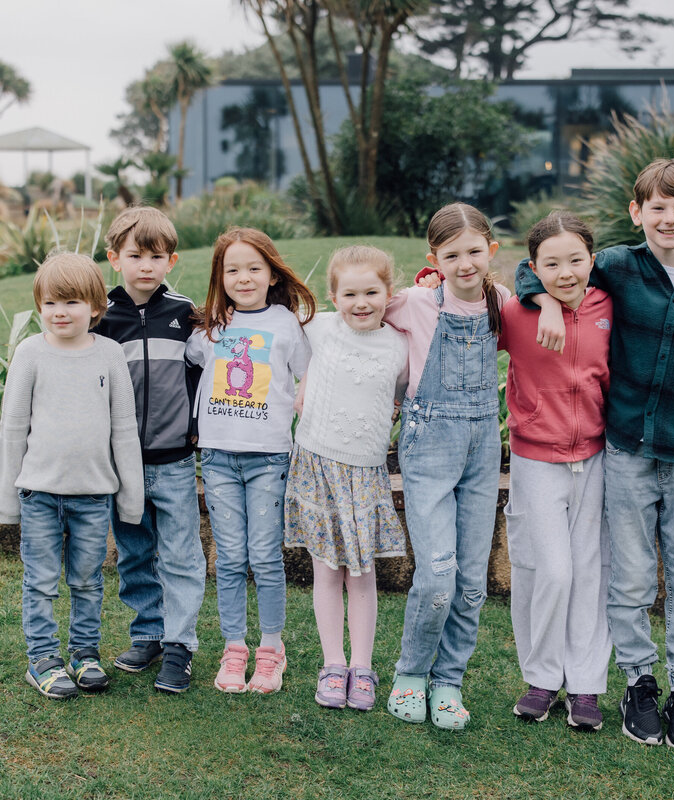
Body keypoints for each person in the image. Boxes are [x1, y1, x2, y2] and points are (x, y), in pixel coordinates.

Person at [516, 158, 674, 751]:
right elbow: (532, 265)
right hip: (625, 454)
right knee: (631, 576)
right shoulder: (617, 266)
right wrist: (541, 300)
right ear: (636, 212)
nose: (667, 219)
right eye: (656, 208)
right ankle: (639, 683)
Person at [0, 252, 144, 700]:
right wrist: (7, 499)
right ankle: (43, 659)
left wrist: (130, 497)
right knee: (40, 580)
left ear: (96, 307)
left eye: (73, 302)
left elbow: (124, 428)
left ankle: (84, 655)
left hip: (92, 497)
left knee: (86, 579)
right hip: (39, 493)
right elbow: (13, 426)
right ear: (40, 306)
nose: (61, 312)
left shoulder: (110, 354)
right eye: (51, 303)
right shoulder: (30, 353)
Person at [384, 203, 510, 730]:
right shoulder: (415, 302)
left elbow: (545, 290)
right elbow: (361, 311)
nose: (465, 264)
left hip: (483, 447)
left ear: (491, 252)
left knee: (472, 580)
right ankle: (410, 675)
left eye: (474, 252)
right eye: (451, 255)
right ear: (433, 258)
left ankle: (449, 681)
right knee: (438, 576)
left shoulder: (503, 301)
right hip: (429, 443)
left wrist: (547, 309)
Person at [186, 227, 315, 695]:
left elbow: (311, 376)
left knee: (263, 556)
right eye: (232, 269)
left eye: (254, 268)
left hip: (268, 459)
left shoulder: (286, 324)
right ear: (220, 276)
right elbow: (187, 361)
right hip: (218, 458)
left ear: (271, 272)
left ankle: (271, 650)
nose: (243, 277)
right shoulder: (210, 329)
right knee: (230, 558)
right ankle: (234, 647)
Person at [499, 212, 613, 731]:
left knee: (589, 573)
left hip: (596, 457)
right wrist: (537, 299)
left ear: (593, 259)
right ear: (533, 266)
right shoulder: (514, 313)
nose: (565, 272)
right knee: (550, 571)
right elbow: (462, 304)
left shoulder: (610, 303)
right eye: (551, 264)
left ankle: (586, 685)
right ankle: (542, 677)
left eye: (575, 260)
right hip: (534, 457)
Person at [284, 245, 409, 711]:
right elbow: (278, 324)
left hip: (365, 472)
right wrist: (302, 382)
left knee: (362, 573)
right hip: (317, 464)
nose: (361, 303)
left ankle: (363, 667)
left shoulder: (399, 347)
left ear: (388, 294)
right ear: (332, 296)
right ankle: (333, 664)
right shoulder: (318, 330)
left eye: (372, 292)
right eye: (350, 293)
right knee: (327, 571)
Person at [98, 207, 205, 694]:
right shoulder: (101, 318)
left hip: (175, 460)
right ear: (114, 258)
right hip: (122, 462)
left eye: (156, 256)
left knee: (181, 553)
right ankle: (149, 632)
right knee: (135, 551)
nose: (146, 265)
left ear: (172, 260)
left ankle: (180, 645)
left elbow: (206, 375)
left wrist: (197, 425)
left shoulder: (185, 315)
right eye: (135, 255)